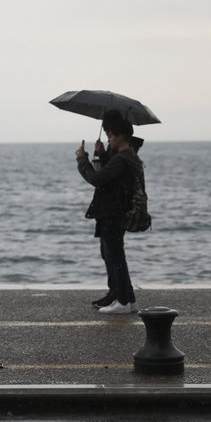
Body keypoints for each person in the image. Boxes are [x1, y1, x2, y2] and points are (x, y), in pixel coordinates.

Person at [75, 110, 140, 313]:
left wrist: (82, 160)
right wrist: (102, 154)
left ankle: (122, 301)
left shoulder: (123, 158)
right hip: (113, 209)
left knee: (115, 255)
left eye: (111, 135)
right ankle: (127, 298)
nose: (108, 138)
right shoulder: (124, 156)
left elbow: (98, 179)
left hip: (114, 211)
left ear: (121, 135)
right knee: (110, 253)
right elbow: (111, 176)